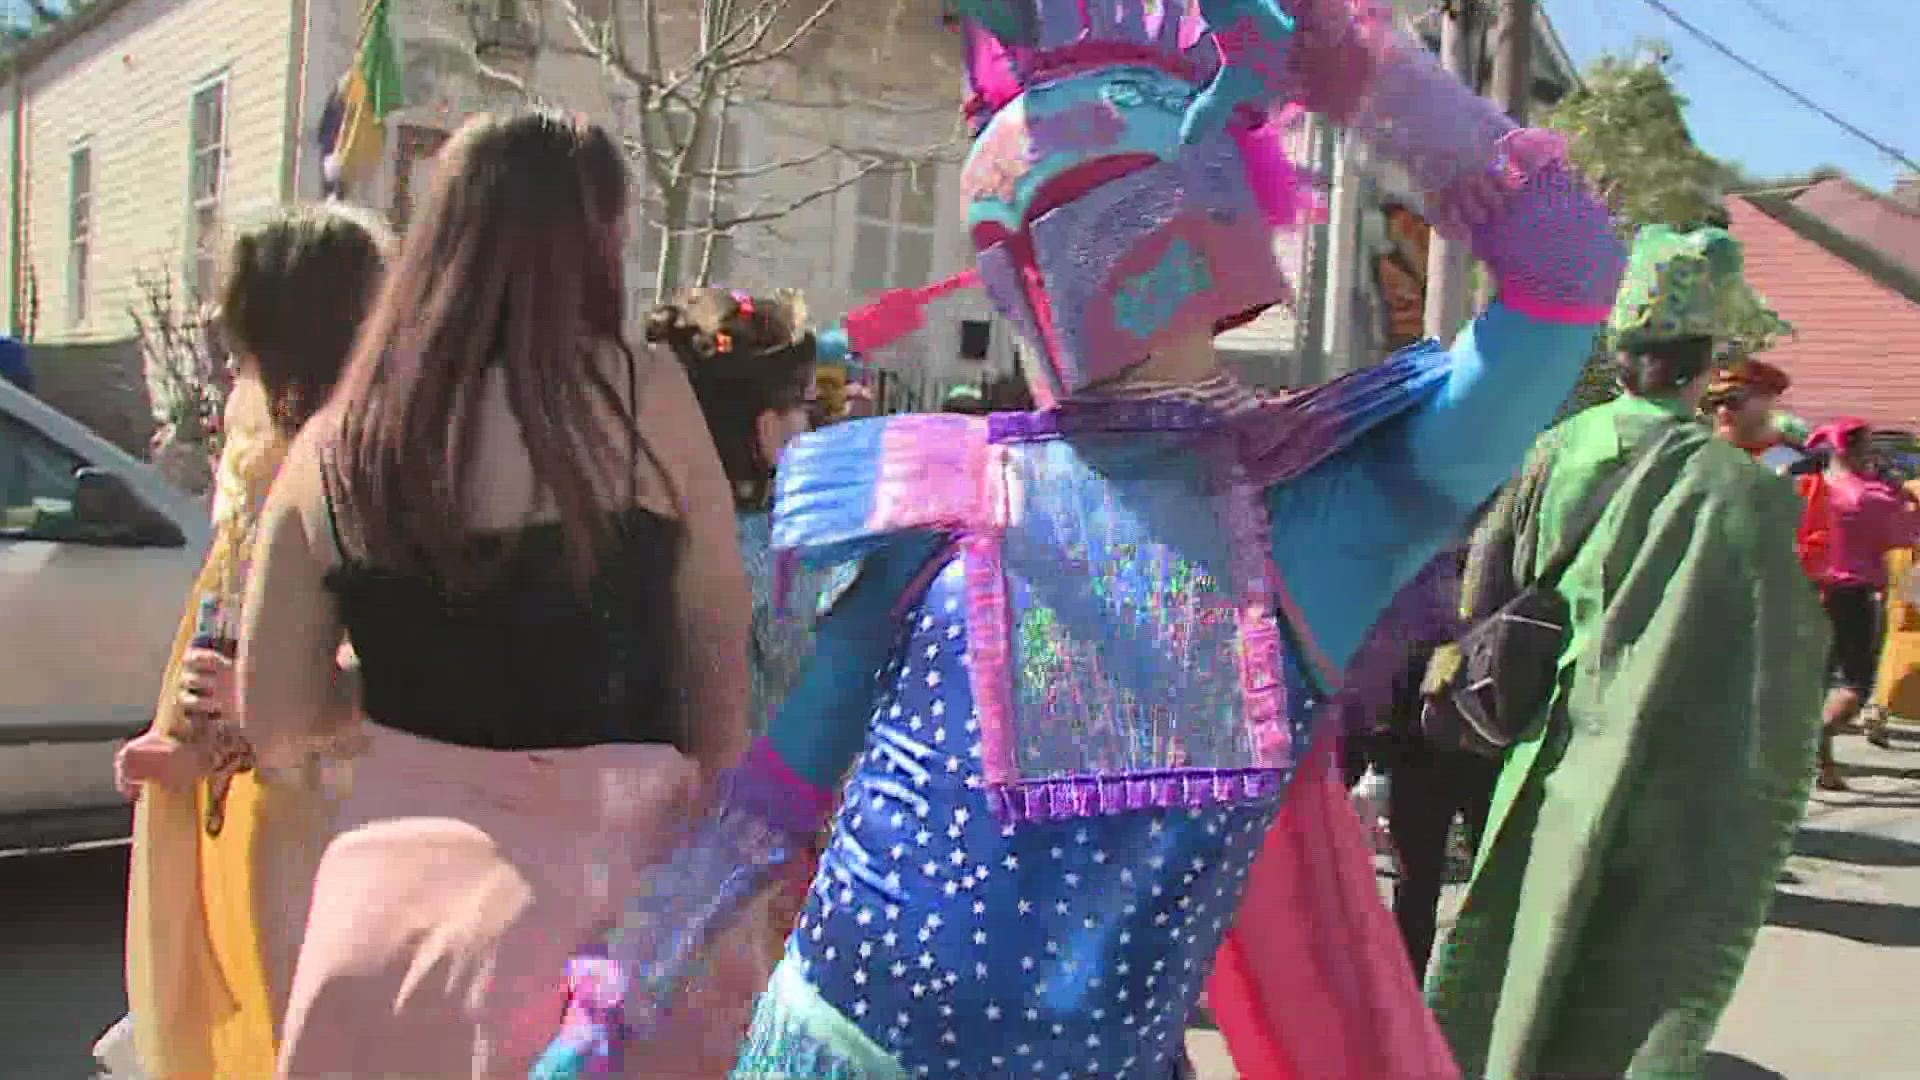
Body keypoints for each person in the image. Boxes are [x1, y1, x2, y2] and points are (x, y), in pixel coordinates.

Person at [550, 0, 1626, 1075]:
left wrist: (1344, 61)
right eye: (1019, 211)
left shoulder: (1321, 506)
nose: (1064, 241)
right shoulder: (942, 496)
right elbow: (772, 798)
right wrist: (617, 997)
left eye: (1093, 190)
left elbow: (1571, 264)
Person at [238, 111, 758, 1077]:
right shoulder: (642, 397)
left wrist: (388, 694)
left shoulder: (337, 442)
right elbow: (716, 663)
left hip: (382, 935)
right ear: (594, 238)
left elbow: (271, 720)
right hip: (604, 944)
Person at [1425, 224, 1830, 1079]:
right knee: (1632, 939)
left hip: (1543, 742)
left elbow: (1488, 591)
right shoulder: (1739, 491)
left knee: (1522, 912)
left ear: (1623, 350)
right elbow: (1769, 655)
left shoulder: (1559, 446)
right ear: (1703, 360)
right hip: (1664, 754)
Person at [107, 203, 392, 1079]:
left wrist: (261, 703)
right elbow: (226, 616)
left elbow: (397, 662)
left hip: (327, 815)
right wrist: (189, 736)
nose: (233, 364)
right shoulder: (266, 448)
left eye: (246, 341)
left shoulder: (368, 462)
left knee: (300, 1038)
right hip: (250, 804)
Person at [1801, 417, 1920, 785]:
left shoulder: (1809, 488)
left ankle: (1823, 767)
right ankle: (1816, 738)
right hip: (1853, 595)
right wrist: (1905, 495)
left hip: (1807, 589)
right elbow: (1906, 534)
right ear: (1852, 449)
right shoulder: (1873, 496)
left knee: (1815, 680)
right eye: (1868, 444)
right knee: (1856, 683)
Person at [1703, 356, 1802, 472]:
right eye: (1715, 401)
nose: (1722, 411)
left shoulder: (1795, 462)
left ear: (1768, 400)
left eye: (1733, 400)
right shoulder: (1699, 457)